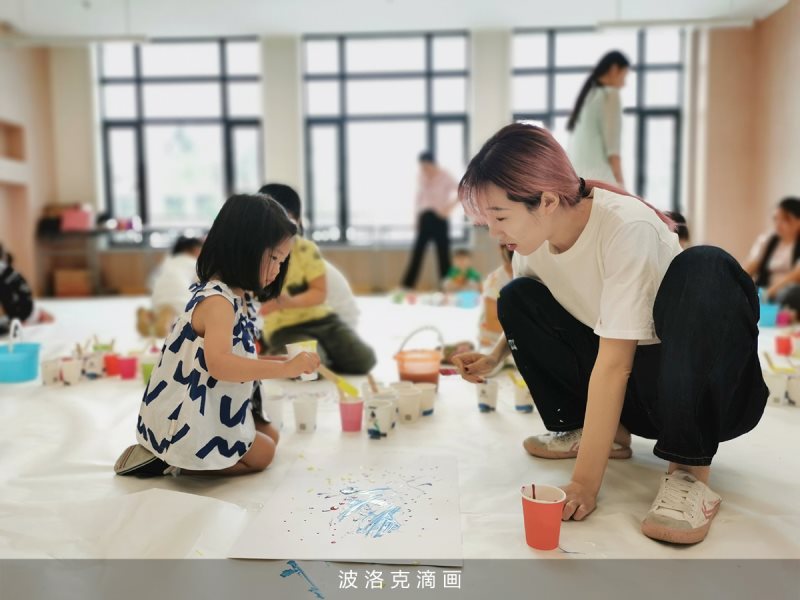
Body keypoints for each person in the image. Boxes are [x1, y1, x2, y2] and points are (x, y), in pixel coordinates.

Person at [452, 123, 767, 545]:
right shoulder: (534, 246)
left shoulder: (625, 227)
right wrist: (494, 357)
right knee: (518, 295)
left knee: (706, 266)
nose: (493, 232)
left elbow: (616, 365)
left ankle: (689, 472)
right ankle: (598, 433)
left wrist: (584, 484)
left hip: (700, 396)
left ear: (547, 201)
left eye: (500, 217)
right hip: (636, 398)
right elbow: (539, 314)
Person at [114, 194, 320, 477]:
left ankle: (182, 453)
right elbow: (220, 365)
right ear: (243, 247)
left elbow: (238, 357)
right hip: (185, 417)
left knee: (271, 433)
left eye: (282, 262)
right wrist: (285, 369)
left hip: (211, 401)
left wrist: (285, 362)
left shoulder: (237, 296)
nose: (277, 270)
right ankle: (177, 460)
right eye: (274, 258)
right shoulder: (218, 302)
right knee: (265, 453)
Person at [257, 183, 376, 374]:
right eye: (271, 223)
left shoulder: (305, 250)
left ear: (297, 222)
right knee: (311, 368)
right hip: (284, 329)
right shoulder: (257, 255)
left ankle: (323, 356)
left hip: (323, 320)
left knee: (363, 360)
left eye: (286, 221)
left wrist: (286, 302)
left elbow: (319, 292)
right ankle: (299, 355)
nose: (279, 230)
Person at [567, 51, 630, 189]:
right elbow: (613, 151)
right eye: (623, 76)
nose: (623, 84)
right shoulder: (610, 95)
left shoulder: (588, 96)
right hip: (601, 183)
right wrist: (622, 187)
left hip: (579, 182)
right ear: (614, 69)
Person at [401, 152, 459, 290]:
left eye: (426, 166)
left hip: (440, 218)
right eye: (422, 167)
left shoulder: (445, 175)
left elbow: (462, 190)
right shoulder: (421, 175)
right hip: (425, 217)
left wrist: (448, 208)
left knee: (443, 255)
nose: (424, 169)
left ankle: (446, 287)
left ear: (433, 163)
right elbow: (418, 198)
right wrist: (416, 219)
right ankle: (406, 286)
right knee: (417, 253)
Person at [136, 235, 204, 338]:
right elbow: (201, 281)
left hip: (158, 292)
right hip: (179, 292)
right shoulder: (193, 263)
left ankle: (150, 315)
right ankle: (166, 320)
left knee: (163, 310)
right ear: (195, 250)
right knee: (186, 318)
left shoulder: (169, 260)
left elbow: (152, 280)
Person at [743, 197, 800, 312]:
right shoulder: (767, 240)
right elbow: (750, 267)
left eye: (785, 219)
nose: (778, 224)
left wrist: (768, 293)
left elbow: (796, 275)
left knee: (791, 293)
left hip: (787, 294)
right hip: (763, 289)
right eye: (776, 219)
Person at [0, 243, 53, 335]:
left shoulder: (6, 273)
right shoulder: (7, 270)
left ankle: (31, 318)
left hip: (22, 314)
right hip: (22, 311)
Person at [478, 245, 514, 348]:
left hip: (510, 335)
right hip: (493, 340)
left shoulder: (522, 273)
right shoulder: (496, 281)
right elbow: (491, 323)